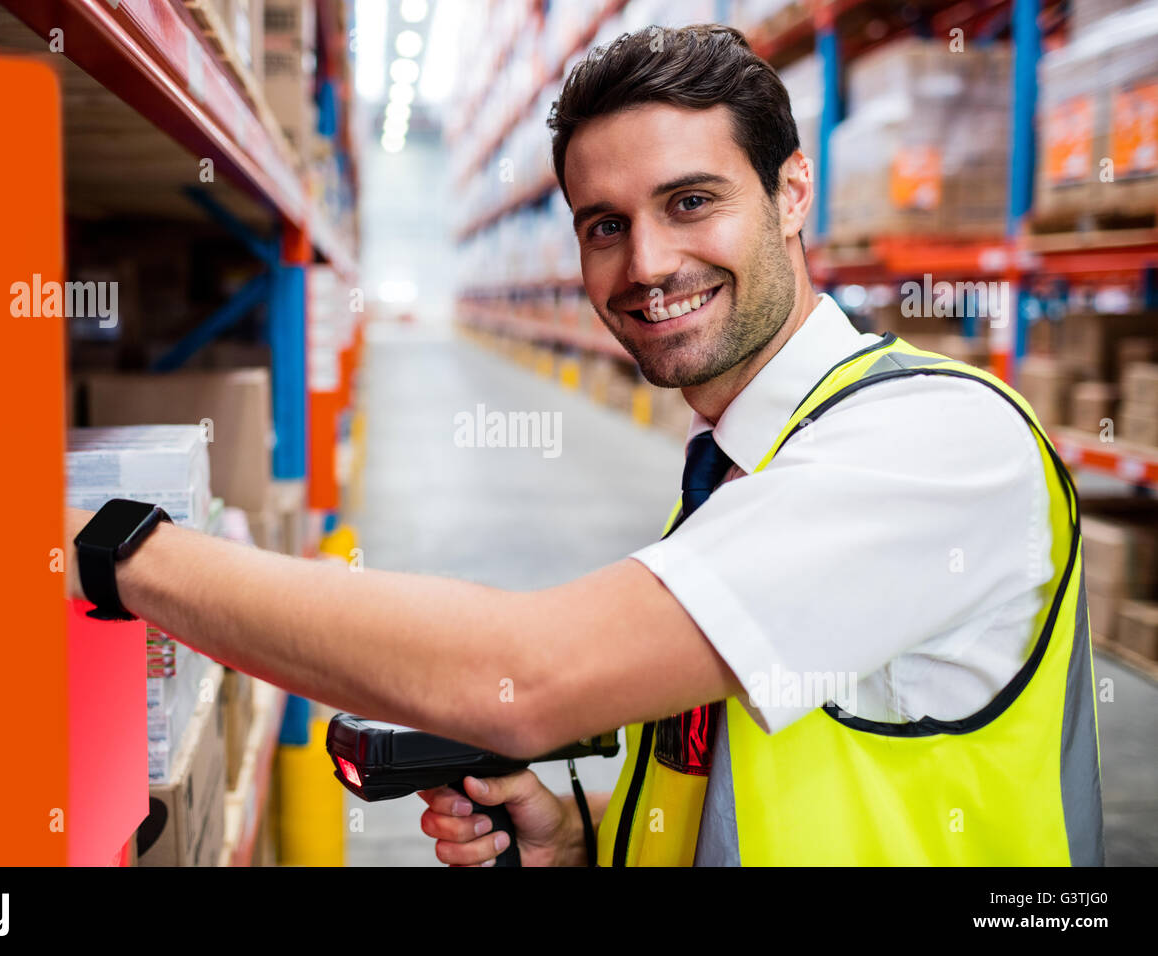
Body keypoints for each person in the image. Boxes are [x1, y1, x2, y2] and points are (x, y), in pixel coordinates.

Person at [66, 24, 1103, 866]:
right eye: (603, 224)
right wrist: (584, 833)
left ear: (792, 193)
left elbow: (527, 676)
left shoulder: (931, 445)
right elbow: (763, 778)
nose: (646, 262)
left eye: (690, 202)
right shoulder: (749, 462)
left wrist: (120, 549)